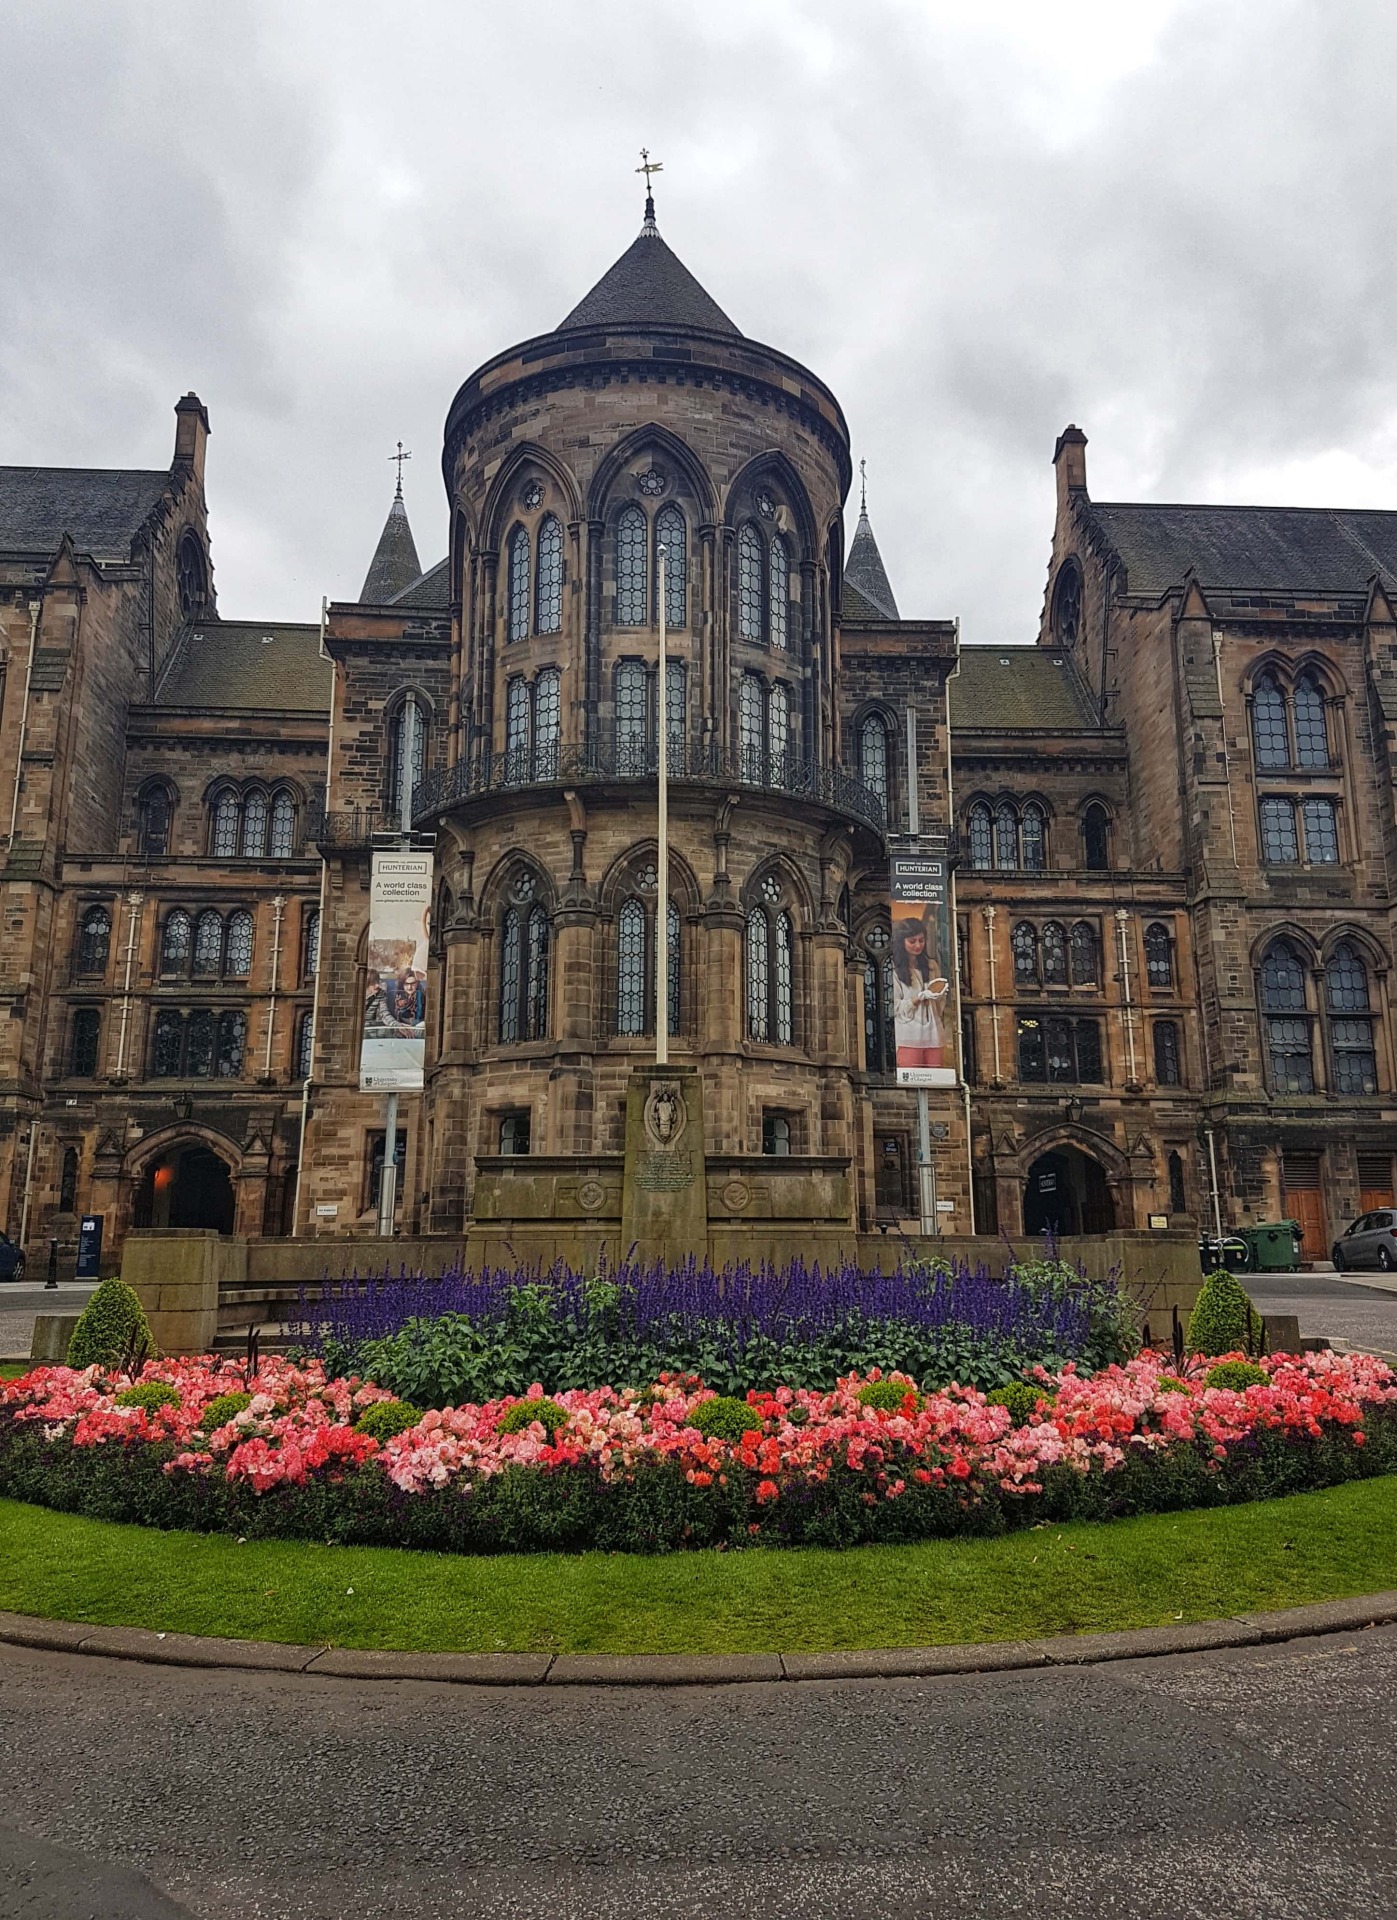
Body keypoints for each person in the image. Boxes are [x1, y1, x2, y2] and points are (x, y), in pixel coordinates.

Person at [890, 917, 949, 1070]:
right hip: (908, 1037)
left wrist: (940, 993)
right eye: (912, 941)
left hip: (934, 1035)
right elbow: (895, 1008)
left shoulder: (931, 965)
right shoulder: (894, 969)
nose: (918, 945)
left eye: (921, 940)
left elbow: (940, 1004)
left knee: (936, 1081)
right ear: (902, 941)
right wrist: (920, 997)